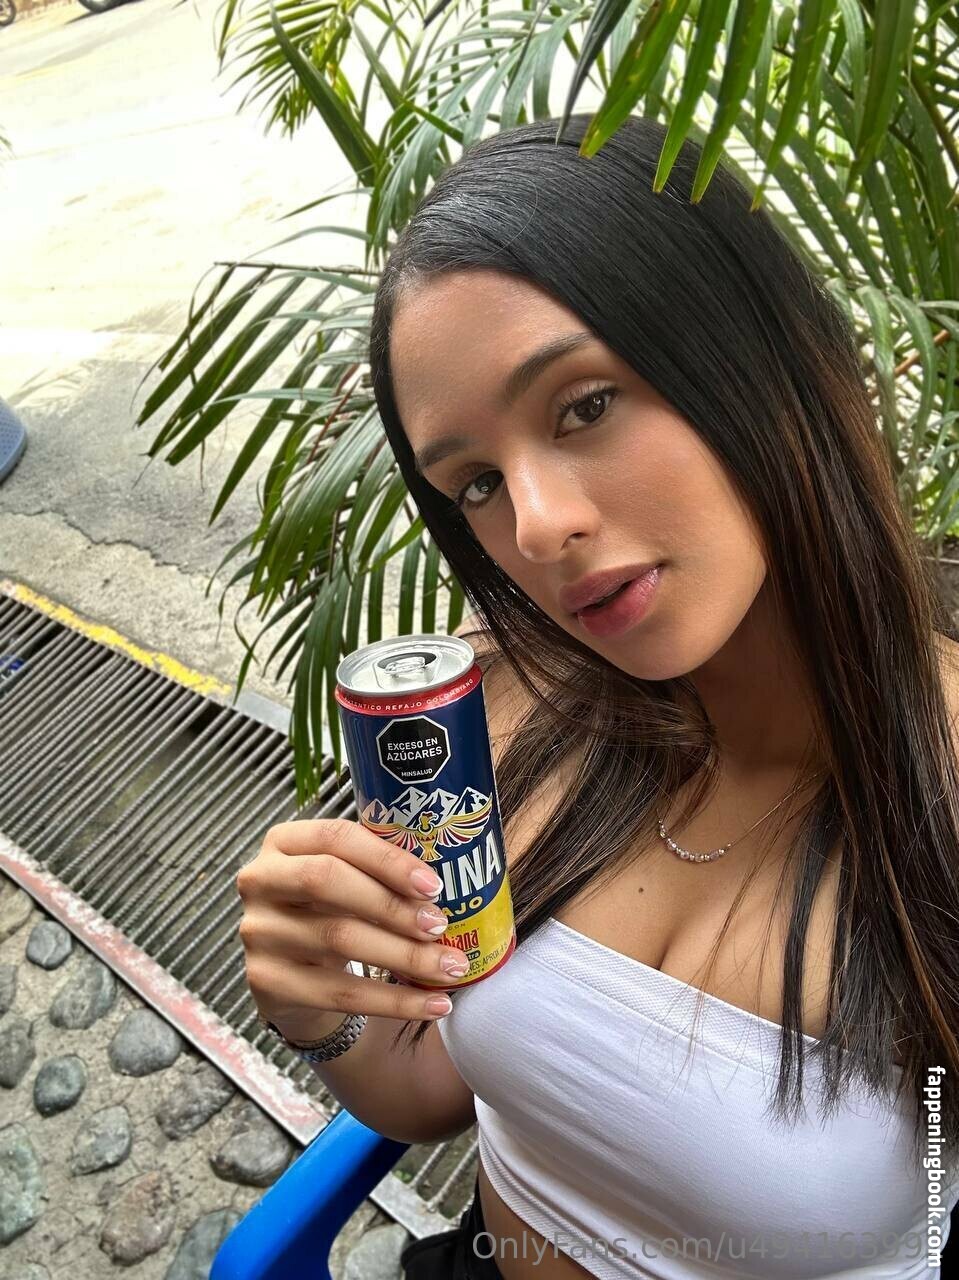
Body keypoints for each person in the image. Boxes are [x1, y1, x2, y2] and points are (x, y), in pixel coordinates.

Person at [237, 115, 959, 1278]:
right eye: (475, 481)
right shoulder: (495, 705)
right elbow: (438, 1089)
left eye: (582, 405)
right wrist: (324, 1011)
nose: (534, 526)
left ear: (761, 351)